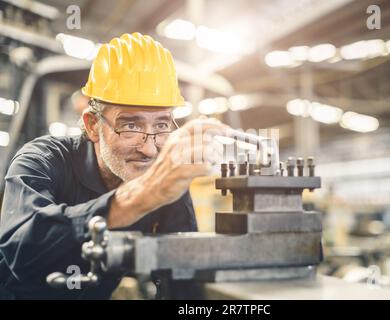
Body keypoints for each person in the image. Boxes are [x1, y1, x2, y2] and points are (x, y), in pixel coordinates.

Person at [0, 32, 227, 299]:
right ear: (93, 125)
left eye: (162, 125)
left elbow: (182, 276)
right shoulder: (43, 159)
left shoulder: (164, 181)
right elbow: (21, 252)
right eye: (131, 126)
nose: (149, 148)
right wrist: (141, 197)